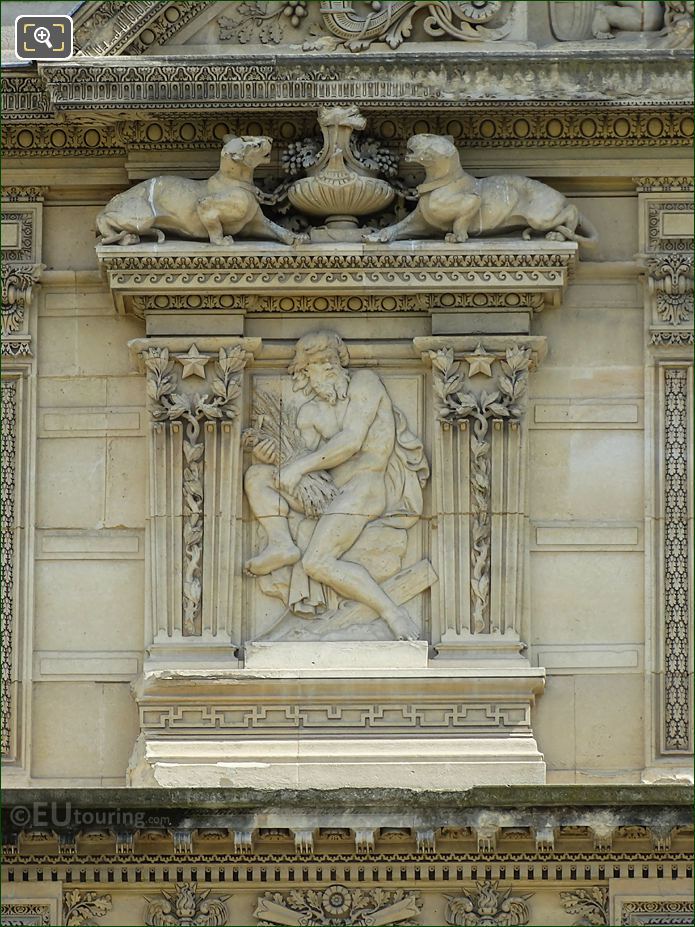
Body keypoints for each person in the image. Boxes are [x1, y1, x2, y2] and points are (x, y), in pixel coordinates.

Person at [244, 331, 428, 640]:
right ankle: (281, 544)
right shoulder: (309, 414)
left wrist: (298, 466)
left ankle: (392, 614)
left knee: (317, 562)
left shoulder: (365, 384)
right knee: (257, 476)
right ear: (305, 373)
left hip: (364, 490)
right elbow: (302, 467)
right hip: (327, 494)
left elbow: (352, 441)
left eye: (332, 359)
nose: (328, 366)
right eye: (317, 362)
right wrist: (272, 458)